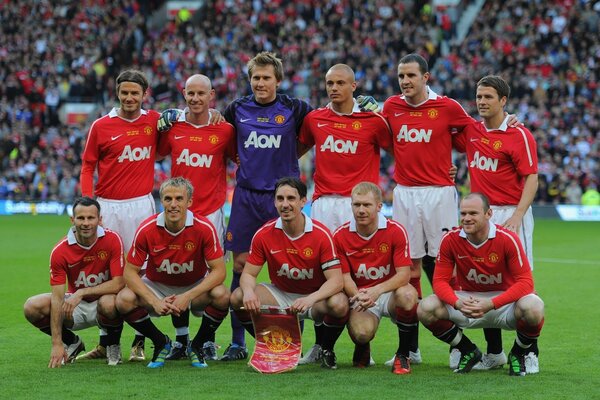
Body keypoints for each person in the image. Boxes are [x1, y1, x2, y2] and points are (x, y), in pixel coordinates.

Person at [381, 53, 474, 365]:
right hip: (405, 194)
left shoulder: (447, 107)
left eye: (411, 76)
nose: (406, 82)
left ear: (426, 77)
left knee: (445, 264)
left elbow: (476, 136)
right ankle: (410, 348)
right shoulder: (391, 107)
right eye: (401, 76)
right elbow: (383, 138)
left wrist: (508, 121)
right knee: (408, 267)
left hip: (440, 195)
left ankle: (457, 344)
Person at [296, 64, 392, 364]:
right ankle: (322, 345)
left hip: (358, 206)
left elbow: (402, 148)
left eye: (340, 82)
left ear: (355, 85)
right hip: (324, 204)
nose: (333, 87)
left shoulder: (373, 121)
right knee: (321, 278)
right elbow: (293, 151)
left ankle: (361, 341)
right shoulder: (314, 119)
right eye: (329, 83)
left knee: (360, 273)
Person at [220, 52, 313, 361]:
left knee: (291, 265)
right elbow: (225, 138)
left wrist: (290, 156)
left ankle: (297, 337)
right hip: (246, 197)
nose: (260, 83)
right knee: (241, 266)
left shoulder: (294, 108)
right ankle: (237, 343)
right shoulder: (236, 108)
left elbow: (314, 132)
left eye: (266, 77)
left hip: (281, 196)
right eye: (255, 78)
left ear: (278, 80)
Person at [452, 75, 539, 369]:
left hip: (512, 214)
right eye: (479, 96)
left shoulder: (520, 135)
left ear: (503, 101)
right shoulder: (472, 131)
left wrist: (517, 215)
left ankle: (529, 352)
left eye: (488, 97)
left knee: (520, 283)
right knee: (484, 279)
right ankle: (493, 353)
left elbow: (531, 177)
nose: (481, 102)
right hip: (481, 214)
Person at [79, 69, 160, 361]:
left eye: (134, 93)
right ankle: (105, 342)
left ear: (143, 94)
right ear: (117, 93)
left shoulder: (153, 121)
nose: (129, 97)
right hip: (108, 207)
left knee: (142, 272)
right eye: (124, 92)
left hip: (141, 206)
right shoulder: (101, 126)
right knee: (107, 272)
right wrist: (89, 205)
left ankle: (140, 342)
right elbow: (88, 166)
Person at [417, 193, 545, 376]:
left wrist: (492, 303)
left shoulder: (507, 238)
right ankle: (467, 349)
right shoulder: (450, 239)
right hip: (468, 302)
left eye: (473, 213)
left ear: (488, 214)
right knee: (425, 308)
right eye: (463, 214)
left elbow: (526, 282)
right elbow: (439, 281)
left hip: (503, 304)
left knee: (534, 307)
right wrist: (457, 303)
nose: (467, 218)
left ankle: (518, 352)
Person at [230, 177, 349, 369]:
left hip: (314, 298)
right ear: (275, 202)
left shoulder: (321, 234)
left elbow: (336, 281)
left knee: (340, 303)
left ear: (303, 201)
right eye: (280, 199)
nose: (285, 204)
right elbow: (249, 274)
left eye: (291, 199)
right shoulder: (264, 233)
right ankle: (274, 344)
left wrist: (310, 299)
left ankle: (325, 348)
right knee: (237, 297)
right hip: (281, 294)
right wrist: (249, 291)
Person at [157, 74, 235, 360]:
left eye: (201, 93)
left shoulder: (225, 130)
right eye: (190, 93)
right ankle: (181, 340)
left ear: (211, 95)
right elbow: (154, 153)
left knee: (211, 281)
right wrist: (163, 117)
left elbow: (240, 159)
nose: (195, 98)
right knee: (179, 274)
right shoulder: (173, 127)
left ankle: (207, 341)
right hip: (177, 214)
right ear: (183, 93)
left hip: (211, 214)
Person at [115, 177, 229, 368]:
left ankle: (197, 346)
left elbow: (219, 271)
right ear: (162, 201)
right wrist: (154, 301)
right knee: (123, 299)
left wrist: (188, 296)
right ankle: (161, 342)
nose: (173, 204)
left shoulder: (204, 228)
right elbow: (129, 272)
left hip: (193, 286)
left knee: (223, 295)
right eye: (168, 199)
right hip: (157, 286)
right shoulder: (147, 228)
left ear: (189, 202)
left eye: (179, 199)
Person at [23, 197, 125, 367]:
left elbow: (119, 283)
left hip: (107, 304)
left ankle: (113, 345)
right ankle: (72, 342)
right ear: (72, 220)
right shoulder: (60, 251)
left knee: (109, 302)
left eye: (91, 218)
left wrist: (82, 292)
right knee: (31, 307)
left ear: (100, 219)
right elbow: (57, 298)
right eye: (81, 218)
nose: (86, 223)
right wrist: (57, 343)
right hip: (75, 307)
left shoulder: (113, 239)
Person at [334, 182, 417, 374]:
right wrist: (359, 296)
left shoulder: (395, 230)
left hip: (388, 294)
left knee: (408, 296)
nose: (361, 210)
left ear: (379, 206)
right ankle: (363, 346)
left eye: (367, 205)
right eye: (356, 205)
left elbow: (404, 274)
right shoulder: (340, 235)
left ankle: (403, 354)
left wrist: (377, 291)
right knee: (361, 334)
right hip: (361, 296)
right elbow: (344, 277)